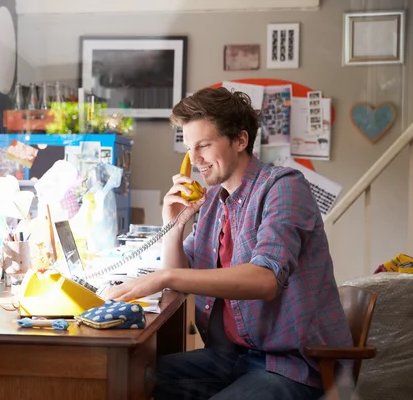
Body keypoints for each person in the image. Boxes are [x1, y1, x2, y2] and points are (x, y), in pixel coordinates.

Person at [105, 87, 353, 400]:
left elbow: (265, 280)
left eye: (204, 146)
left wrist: (163, 277)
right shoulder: (212, 201)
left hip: (291, 365)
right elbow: (181, 282)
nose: (195, 160)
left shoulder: (284, 187)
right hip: (230, 358)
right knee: (121, 379)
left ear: (240, 140)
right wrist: (173, 225)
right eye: (190, 149)